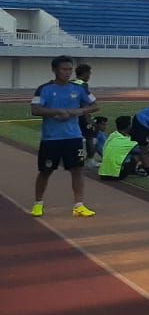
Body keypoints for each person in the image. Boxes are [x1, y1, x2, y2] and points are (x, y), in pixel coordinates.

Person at [29, 55, 99, 217]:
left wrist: (78, 111)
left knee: (77, 170)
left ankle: (79, 204)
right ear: (54, 70)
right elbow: (35, 109)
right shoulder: (44, 89)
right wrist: (56, 112)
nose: (67, 73)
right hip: (51, 138)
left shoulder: (79, 88)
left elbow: (95, 106)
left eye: (69, 69)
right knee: (45, 171)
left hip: (73, 136)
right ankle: (38, 203)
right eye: (63, 69)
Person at [98, 116, 141, 181]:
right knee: (139, 154)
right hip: (116, 175)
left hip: (103, 173)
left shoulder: (112, 135)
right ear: (128, 126)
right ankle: (141, 171)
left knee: (126, 152)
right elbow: (145, 151)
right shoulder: (130, 141)